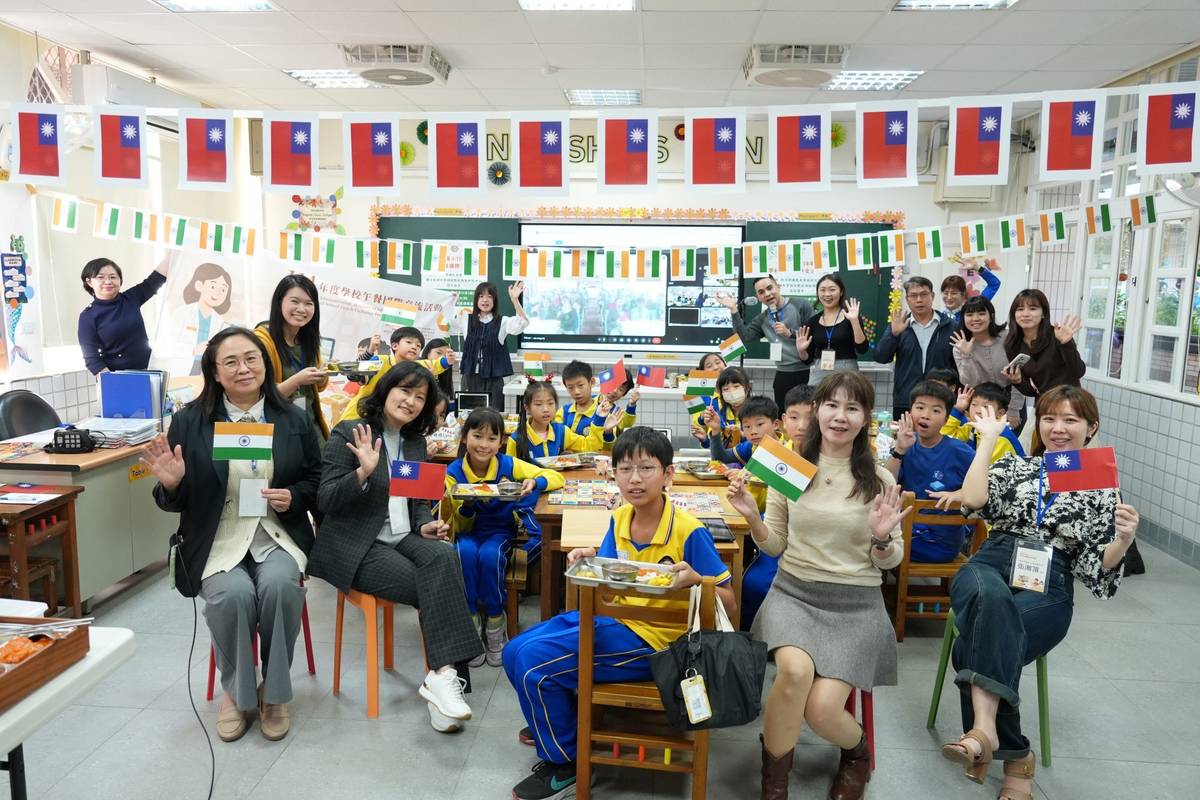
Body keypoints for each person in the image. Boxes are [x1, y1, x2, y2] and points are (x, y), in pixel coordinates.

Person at [503, 427, 735, 800]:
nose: (635, 478)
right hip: (614, 623)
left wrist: (697, 582)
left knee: (533, 664)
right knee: (514, 651)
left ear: (668, 475)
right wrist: (591, 557)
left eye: (647, 468)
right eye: (625, 469)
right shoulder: (621, 518)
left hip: (659, 644)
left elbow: (730, 603)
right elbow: (614, 570)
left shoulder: (690, 532)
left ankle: (566, 761)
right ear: (614, 474)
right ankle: (555, 719)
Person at [931, 386, 1139, 800]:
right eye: (1049, 419)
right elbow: (972, 499)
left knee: (979, 632)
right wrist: (987, 439)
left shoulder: (1100, 483)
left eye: (1070, 420)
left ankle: (984, 733)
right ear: (1037, 423)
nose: (1058, 429)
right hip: (992, 560)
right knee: (988, 599)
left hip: (1053, 578)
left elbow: (1098, 566)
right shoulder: (1017, 467)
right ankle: (1013, 755)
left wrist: (1123, 541)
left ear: (1091, 427)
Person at [725, 371, 907, 800]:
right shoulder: (792, 467)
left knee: (823, 710)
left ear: (865, 419)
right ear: (816, 411)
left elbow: (891, 558)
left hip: (856, 605)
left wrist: (881, 538)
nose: (839, 416)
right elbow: (775, 546)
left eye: (852, 407)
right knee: (794, 672)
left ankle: (857, 753)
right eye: (832, 405)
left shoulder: (877, 479)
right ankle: (775, 786)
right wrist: (753, 516)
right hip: (795, 594)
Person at [142, 327, 321, 742]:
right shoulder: (190, 421)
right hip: (217, 538)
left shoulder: (292, 419)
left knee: (280, 587)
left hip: (275, 534)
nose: (244, 369)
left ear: (265, 364)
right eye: (231, 362)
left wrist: (293, 495)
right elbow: (175, 500)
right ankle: (235, 695)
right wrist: (171, 485)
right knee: (232, 595)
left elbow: (315, 479)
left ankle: (274, 695)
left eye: (251, 359)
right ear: (215, 373)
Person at [307, 361, 483, 734]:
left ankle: (441, 677)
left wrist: (426, 524)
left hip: (403, 535)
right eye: (405, 390)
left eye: (420, 397)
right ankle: (447, 678)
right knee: (432, 584)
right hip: (357, 543)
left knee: (445, 554)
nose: (411, 401)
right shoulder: (349, 433)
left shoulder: (415, 442)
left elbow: (417, 500)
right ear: (386, 389)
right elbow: (324, 500)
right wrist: (362, 473)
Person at [444, 408, 564, 666]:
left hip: (500, 532)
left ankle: (496, 624)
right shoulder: (454, 472)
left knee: (490, 555)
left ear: (502, 442)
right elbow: (459, 521)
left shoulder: (508, 464)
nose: (484, 445)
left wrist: (536, 483)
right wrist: (467, 505)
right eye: (477, 436)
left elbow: (555, 476)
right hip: (467, 532)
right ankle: (472, 622)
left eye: (491, 438)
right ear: (464, 438)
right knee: (464, 553)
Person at [886, 380, 976, 563]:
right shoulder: (906, 443)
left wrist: (960, 493)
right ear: (910, 411)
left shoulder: (961, 452)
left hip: (939, 541)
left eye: (936, 410)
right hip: (902, 532)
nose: (925, 415)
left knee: (870, 543)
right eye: (919, 407)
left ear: (946, 418)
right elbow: (886, 485)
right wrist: (899, 450)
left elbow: (987, 487)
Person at [715, 274, 815, 409]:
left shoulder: (800, 305)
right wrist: (733, 310)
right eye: (761, 292)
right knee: (783, 416)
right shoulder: (763, 318)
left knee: (808, 415)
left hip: (807, 371)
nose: (767, 294)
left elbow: (815, 333)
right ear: (758, 297)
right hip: (782, 373)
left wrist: (789, 333)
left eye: (769, 288)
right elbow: (744, 337)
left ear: (778, 286)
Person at [254, 275, 329, 448]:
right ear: (279, 302)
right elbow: (257, 397)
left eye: (309, 303)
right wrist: (297, 380)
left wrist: (323, 374)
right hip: (275, 429)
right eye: (295, 301)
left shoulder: (308, 340)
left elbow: (319, 388)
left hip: (309, 423)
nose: (302, 309)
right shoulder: (261, 341)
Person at [874, 276, 957, 421]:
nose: (919, 300)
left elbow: (956, 365)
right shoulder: (899, 324)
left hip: (940, 399)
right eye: (913, 295)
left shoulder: (949, 326)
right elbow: (881, 357)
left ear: (932, 296)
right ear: (907, 299)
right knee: (905, 441)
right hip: (906, 399)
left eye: (924, 294)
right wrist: (893, 335)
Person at [338, 326, 454, 423]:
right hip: (357, 416)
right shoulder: (379, 361)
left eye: (418, 346)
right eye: (409, 342)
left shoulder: (417, 366)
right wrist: (369, 351)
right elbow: (354, 374)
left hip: (382, 423)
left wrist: (447, 361)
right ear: (395, 346)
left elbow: (436, 364)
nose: (414, 347)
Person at [77, 256, 168, 374]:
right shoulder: (87, 316)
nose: (108, 281)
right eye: (101, 277)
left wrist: (175, 251)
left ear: (120, 280)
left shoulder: (131, 298)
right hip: (117, 377)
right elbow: (92, 360)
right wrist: (113, 383)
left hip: (149, 371)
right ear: (89, 282)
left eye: (113, 277)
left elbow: (156, 278)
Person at [950, 296, 1025, 430]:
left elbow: (1018, 377)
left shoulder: (1008, 338)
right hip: (980, 406)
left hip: (1012, 401)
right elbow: (970, 382)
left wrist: (1013, 410)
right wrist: (966, 355)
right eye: (970, 314)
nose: (975, 318)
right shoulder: (960, 346)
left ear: (991, 316)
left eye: (981, 313)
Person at [454, 281, 529, 412]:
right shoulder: (466, 319)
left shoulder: (503, 322)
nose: (485, 300)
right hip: (470, 377)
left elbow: (523, 323)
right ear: (476, 299)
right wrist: (451, 301)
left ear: (494, 300)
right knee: (468, 416)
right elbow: (447, 320)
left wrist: (515, 300)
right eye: (481, 296)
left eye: (489, 296)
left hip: (494, 380)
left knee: (493, 417)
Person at [1003, 289, 1085, 400]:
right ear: (1014, 314)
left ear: (1043, 314)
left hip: (1070, 403)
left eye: (1032, 308)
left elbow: (1078, 372)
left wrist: (1066, 343)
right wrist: (1017, 381)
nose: (1025, 314)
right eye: (1020, 309)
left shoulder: (1058, 335)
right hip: (1044, 405)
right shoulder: (1012, 345)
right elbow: (1032, 392)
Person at [508, 380, 611, 459]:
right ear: (527, 408)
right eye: (539, 404)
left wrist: (599, 418)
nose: (546, 409)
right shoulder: (516, 439)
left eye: (550, 403)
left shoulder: (561, 431)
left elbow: (590, 446)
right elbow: (509, 471)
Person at [161, 261, 232, 376]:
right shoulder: (181, 313)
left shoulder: (221, 323)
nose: (218, 293)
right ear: (199, 285)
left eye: (223, 290)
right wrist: (193, 350)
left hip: (207, 369)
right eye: (213, 286)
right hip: (182, 366)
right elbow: (167, 344)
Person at [797, 275, 869, 382]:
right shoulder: (812, 322)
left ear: (841, 292)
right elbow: (807, 361)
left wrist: (854, 321)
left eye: (832, 289)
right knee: (815, 399)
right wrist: (801, 351)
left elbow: (862, 349)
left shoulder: (851, 316)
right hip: (819, 371)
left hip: (847, 372)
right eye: (822, 290)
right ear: (818, 293)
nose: (827, 294)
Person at [943, 383, 1025, 463]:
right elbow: (946, 438)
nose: (978, 411)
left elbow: (986, 470)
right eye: (974, 404)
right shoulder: (973, 426)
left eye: (985, 406)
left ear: (1000, 413)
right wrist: (958, 410)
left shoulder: (1000, 438)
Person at [692, 366, 752, 448]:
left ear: (747, 387)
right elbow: (718, 450)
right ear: (721, 393)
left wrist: (741, 435)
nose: (732, 392)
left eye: (736, 386)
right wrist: (705, 440)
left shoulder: (758, 412)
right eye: (726, 389)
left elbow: (763, 444)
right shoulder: (719, 415)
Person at [556, 360, 603, 436]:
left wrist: (608, 432)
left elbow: (609, 446)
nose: (576, 392)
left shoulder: (602, 412)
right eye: (570, 387)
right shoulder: (563, 412)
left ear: (592, 382)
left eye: (580, 385)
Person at [422, 337, 456, 408]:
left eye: (445, 355)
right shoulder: (417, 367)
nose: (442, 357)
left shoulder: (445, 373)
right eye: (438, 353)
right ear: (428, 353)